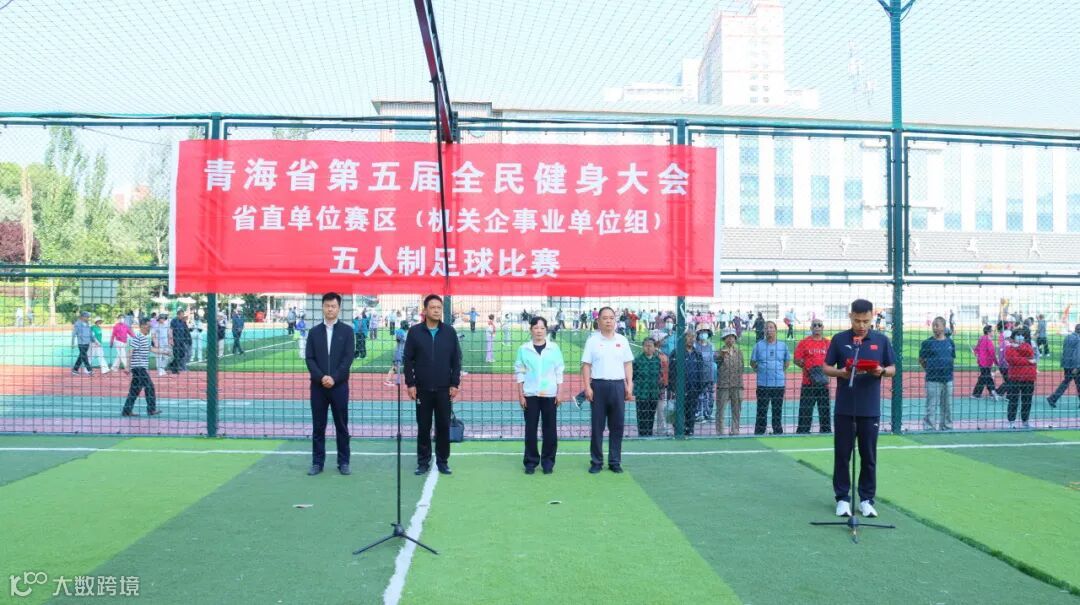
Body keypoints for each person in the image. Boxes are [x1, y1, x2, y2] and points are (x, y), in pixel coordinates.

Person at [822, 298, 896, 519]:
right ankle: (842, 499)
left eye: (865, 321)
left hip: (870, 409)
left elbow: (893, 368)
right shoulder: (839, 339)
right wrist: (842, 373)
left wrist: (882, 371)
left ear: (872, 317)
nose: (861, 325)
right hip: (844, 408)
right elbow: (826, 367)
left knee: (869, 456)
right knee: (842, 455)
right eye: (857, 320)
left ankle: (866, 500)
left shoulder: (881, 340)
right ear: (850, 317)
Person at [403, 295, 462, 476]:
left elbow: (456, 359)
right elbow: (408, 360)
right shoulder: (415, 332)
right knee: (423, 427)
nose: (436, 310)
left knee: (443, 426)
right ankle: (423, 462)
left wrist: (454, 383)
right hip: (422, 389)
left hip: (444, 389)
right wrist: (410, 384)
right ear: (425, 310)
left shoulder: (449, 332)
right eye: (433, 307)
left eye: (439, 307)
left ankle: (443, 461)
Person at [303, 292, 355, 476]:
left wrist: (334, 377)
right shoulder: (314, 332)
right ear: (322, 307)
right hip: (318, 387)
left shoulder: (347, 331)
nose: (330, 309)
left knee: (342, 425)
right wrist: (321, 377)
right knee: (318, 426)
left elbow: (348, 358)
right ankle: (317, 462)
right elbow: (309, 358)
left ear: (339, 308)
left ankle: (344, 462)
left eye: (333, 306)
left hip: (339, 386)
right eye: (327, 306)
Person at [581, 307, 634, 473]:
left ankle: (615, 461)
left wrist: (629, 384)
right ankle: (596, 462)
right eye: (605, 318)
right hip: (598, 386)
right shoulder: (592, 341)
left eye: (611, 317)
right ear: (599, 321)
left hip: (618, 386)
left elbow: (627, 364)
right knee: (597, 427)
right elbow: (586, 365)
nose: (608, 321)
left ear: (615, 320)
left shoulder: (622, 340)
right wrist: (587, 387)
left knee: (617, 426)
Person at [514, 316, 565, 474]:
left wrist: (560, 392)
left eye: (542, 328)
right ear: (531, 330)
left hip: (549, 394)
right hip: (530, 394)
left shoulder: (554, 348)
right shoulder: (523, 349)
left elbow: (559, 371)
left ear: (546, 330)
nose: (539, 331)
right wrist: (521, 395)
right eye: (536, 328)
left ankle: (548, 462)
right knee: (530, 430)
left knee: (550, 430)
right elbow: (520, 372)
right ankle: (531, 462)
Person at [750, 321, 789, 435]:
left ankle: (777, 431)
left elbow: (787, 362)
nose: (769, 330)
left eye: (771, 327)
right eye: (766, 328)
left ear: (776, 330)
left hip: (778, 384)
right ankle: (759, 431)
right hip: (763, 384)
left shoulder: (782, 346)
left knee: (777, 410)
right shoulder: (758, 345)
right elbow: (752, 362)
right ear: (764, 331)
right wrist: (762, 370)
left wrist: (778, 371)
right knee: (761, 410)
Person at [919, 317, 955, 431]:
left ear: (944, 327)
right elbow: (921, 359)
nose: (935, 328)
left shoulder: (950, 342)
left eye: (937, 325)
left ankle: (946, 426)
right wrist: (929, 369)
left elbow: (952, 358)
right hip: (933, 379)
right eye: (933, 325)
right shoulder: (927, 343)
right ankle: (929, 427)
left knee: (947, 405)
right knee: (931, 405)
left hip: (948, 379)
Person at [794, 319, 831, 433]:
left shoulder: (828, 343)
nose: (817, 327)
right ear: (811, 328)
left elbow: (833, 360)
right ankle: (803, 431)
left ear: (823, 327)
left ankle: (825, 431)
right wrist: (807, 367)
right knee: (806, 410)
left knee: (824, 410)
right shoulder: (804, 342)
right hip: (808, 382)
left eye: (819, 325)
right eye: (814, 325)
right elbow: (796, 359)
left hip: (823, 382)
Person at [121, 318, 162, 417]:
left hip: (140, 367)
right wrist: (127, 366)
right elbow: (130, 351)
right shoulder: (137, 337)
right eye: (149, 325)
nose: (150, 327)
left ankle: (126, 411)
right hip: (138, 368)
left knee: (134, 390)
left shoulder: (145, 338)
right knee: (150, 387)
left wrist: (165, 352)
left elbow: (151, 349)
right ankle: (151, 410)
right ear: (143, 326)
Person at [670, 330, 708, 436]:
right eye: (689, 336)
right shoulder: (676, 352)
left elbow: (701, 371)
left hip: (693, 389)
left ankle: (689, 431)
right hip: (679, 389)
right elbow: (671, 372)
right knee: (678, 411)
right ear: (684, 338)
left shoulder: (697, 354)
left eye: (694, 337)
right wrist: (672, 388)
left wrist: (700, 387)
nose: (692, 339)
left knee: (691, 412)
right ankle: (678, 431)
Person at [1004, 328, 1037, 429]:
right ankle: (1011, 421)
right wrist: (1028, 361)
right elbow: (1013, 360)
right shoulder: (1009, 348)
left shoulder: (1028, 346)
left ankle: (1025, 421)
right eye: (1018, 335)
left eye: (1022, 335)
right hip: (1015, 378)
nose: (1020, 337)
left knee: (1027, 401)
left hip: (1029, 378)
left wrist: (1018, 348)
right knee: (1013, 400)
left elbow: (1032, 356)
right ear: (1013, 337)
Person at [716, 328, 744, 436]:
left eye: (732, 337)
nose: (731, 339)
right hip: (723, 385)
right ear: (724, 339)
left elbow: (741, 368)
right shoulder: (719, 352)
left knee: (737, 409)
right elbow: (716, 364)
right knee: (721, 410)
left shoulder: (739, 352)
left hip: (737, 385)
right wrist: (721, 356)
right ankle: (720, 431)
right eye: (728, 337)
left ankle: (735, 429)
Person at [632, 337, 662, 437]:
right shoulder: (638, 360)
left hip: (653, 393)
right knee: (642, 415)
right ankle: (642, 434)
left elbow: (660, 376)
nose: (648, 348)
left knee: (651, 415)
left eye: (650, 346)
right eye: (646, 345)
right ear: (643, 347)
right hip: (642, 393)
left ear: (654, 347)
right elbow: (633, 376)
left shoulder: (657, 360)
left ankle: (649, 433)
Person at [1047, 323, 1080, 408]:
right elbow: (1077, 354)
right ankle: (1052, 398)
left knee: (1067, 382)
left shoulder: (1067, 337)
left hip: (1066, 364)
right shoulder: (1078, 339)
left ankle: (1052, 398)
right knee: (1075, 383)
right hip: (1074, 365)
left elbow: (1065, 350)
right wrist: (1077, 366)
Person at [971, 325, 1002, 401]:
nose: (993, 332)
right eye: (992, 331)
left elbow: (976, 348)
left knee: (986, 377)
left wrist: (975, 352)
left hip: (982, 362)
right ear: (988, 332)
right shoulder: (988, 340)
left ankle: (990, 392)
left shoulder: (981, 338)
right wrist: (997, 363)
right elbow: (992, 353)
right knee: (985, 377)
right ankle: (990, 392)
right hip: (986, 363)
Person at [694, 324, 716, 422]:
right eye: (702, 332)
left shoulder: (711, 346)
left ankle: (708, 413)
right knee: (700, 395)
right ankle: (699, 413)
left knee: (710, 395)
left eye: (706, 332)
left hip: (710, 374)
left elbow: (714, 359)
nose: (704, 334)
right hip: (699, 375)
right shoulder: (695, 346)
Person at [385, 320, 408, 386]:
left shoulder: (403, 331)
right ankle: (387, 380)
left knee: (409, 366)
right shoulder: (401, 331)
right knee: (395, 367)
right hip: (399, 352)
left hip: (403, 351)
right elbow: (402, 339)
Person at [168, 309, 192, 373]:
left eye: (183, 314)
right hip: (175, 340)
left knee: (182, 354)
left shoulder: (182, 321)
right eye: (181, 315)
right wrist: (171, 339)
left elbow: (185, 330)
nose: (182, 316)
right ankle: (175, 369)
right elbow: (171, 330)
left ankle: (172, 364)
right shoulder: (174, 321)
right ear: (178, 315)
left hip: (181, 340)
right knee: (177, 354)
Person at [71, 311, 94, 376]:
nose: (88, 318)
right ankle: (89, 370)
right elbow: (73, 334)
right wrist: (72, 343)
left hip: (87, 343)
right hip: (81, 343)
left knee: (81, 357)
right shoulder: (77, 324)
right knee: (84, 356)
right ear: (82, 317)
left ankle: (75, 370)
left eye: (88, 317)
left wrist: (94, 340)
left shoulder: (87, 324)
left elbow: (90, 333)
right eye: (87, 316)